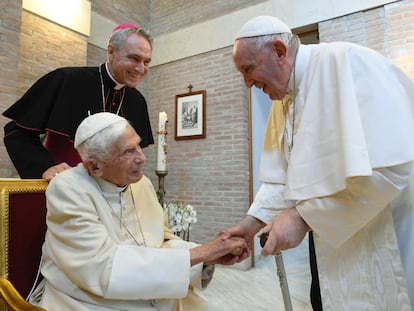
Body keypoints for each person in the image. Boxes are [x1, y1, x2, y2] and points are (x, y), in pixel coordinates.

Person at [225, 15, 414, 310]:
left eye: (248, 70)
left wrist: (303, 218)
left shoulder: (349, 63)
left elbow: (393, 168)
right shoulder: (283, 96)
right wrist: (251, 223)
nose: (248, 83)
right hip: (327, 238)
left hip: (382, 231)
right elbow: (280, 178)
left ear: (279, 50)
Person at [28, 112, 247, 310]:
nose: (142, 157)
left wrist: (206, 257)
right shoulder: (68, 188)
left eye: (138, 146)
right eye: (128, 151)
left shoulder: (141, 184)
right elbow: (102, 268)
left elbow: (161, 241)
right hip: (87, 301)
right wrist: (201, 253)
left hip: (154, 297)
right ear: (94, 166)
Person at [2, 23, 154, 181]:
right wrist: (45, 167)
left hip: (112, 196)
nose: (140, 68)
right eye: (134, 58)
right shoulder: (67, 80)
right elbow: (16, 132)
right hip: (65, 190)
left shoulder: (138, 101)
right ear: (111, 52)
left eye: (146, 62)